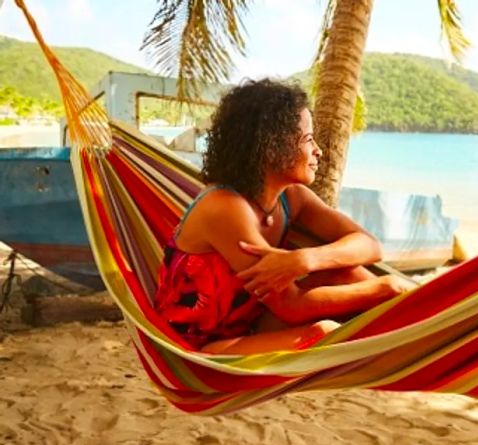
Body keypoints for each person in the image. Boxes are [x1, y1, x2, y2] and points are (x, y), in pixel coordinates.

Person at [154, 78, 414, 355]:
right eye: (308, 139)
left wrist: (305, 259)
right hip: (199, 350)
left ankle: (432, 329)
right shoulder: (224, 207)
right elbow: (291, 306)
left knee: (342, 273)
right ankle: (416, 334)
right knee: (324, 335)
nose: (318, 151)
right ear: (272, 146)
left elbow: (370, 246)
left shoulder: (291, 198)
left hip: (251, 325)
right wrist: (386, 288)